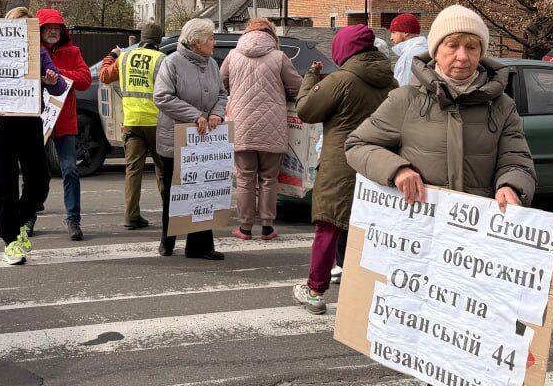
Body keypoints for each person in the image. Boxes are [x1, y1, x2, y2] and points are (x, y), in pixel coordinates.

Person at [345, 4, 535, 386]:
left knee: (449, 354)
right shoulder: (406, 100)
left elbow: (519, 160)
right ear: (434, 49)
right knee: (457, 363)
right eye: (452, 45)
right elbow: (357, 145)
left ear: (482, 52)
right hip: (420, 251)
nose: (461, 55)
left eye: (471, 46)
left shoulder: (502, 107)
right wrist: (398, 167)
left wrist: (511, 187)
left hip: (476, 252)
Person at [291, 24, 396, 314]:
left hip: (342, 162)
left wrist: (310, 77)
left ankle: (315, 290)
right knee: (366, 229)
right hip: (379, 162)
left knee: (329, 226)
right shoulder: (391, 82)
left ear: (344, 49)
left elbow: (306, 110)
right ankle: (364, 290)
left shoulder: (342, 80)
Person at [0, 8, 69, 266]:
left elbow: (58, 85)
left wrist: (51, 80)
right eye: (17, 27)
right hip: (1, 123)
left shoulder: (38, 52)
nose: (22, 32)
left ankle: (17, 222)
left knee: (40, 181)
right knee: (4, 184)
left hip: (29, 122)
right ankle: (11, 240)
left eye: (27, 28)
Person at [220, 18, 302, 241]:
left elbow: (220, 84)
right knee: (269, 178)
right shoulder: (279, 57)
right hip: (272, 126)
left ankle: (245, 228)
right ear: (271, 34)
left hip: (241, 125)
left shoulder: (233, 56)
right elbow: (298, 87)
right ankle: (267, 227)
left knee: (245, 178)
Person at [153, 18, 228, 259]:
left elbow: (222, 94)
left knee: (204, 191)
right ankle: (168, 240)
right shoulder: (171, 62)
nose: (214, 43)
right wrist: (195, 115)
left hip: (204, 141)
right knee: (175, 192)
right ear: (196, 42)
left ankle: (200, 246)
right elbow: (162, 97)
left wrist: (216, 114)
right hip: (175, 138)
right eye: (210, 39)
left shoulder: (212, 65)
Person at [99, 23, 167, 229]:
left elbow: (104, 75)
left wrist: (111, 55)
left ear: (141, 38)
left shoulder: (125, 58)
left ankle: (131, 216)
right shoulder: (162, 60)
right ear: (160, 41)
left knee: (133, 171)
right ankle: (170, 215)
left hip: (131, 123)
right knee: (163, 171)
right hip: (156, 123)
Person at [36, 8, 95, 241]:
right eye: (48, 28)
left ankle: (73, 219)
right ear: (40, 30)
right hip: (37, 121)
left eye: (56, 28)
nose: (53, 31)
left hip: (65, 120)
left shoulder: (73, 52)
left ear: (62, 31)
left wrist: (58, 72)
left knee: (70, 169)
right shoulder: (31, 51)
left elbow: (85, 80)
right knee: (36, 173)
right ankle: (29, 215)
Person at [389, 13, 430, 88]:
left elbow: (403, 89)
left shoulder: (409, 57)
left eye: (393, 32)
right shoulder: (425, 50)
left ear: (406, 32)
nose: (391, 38)